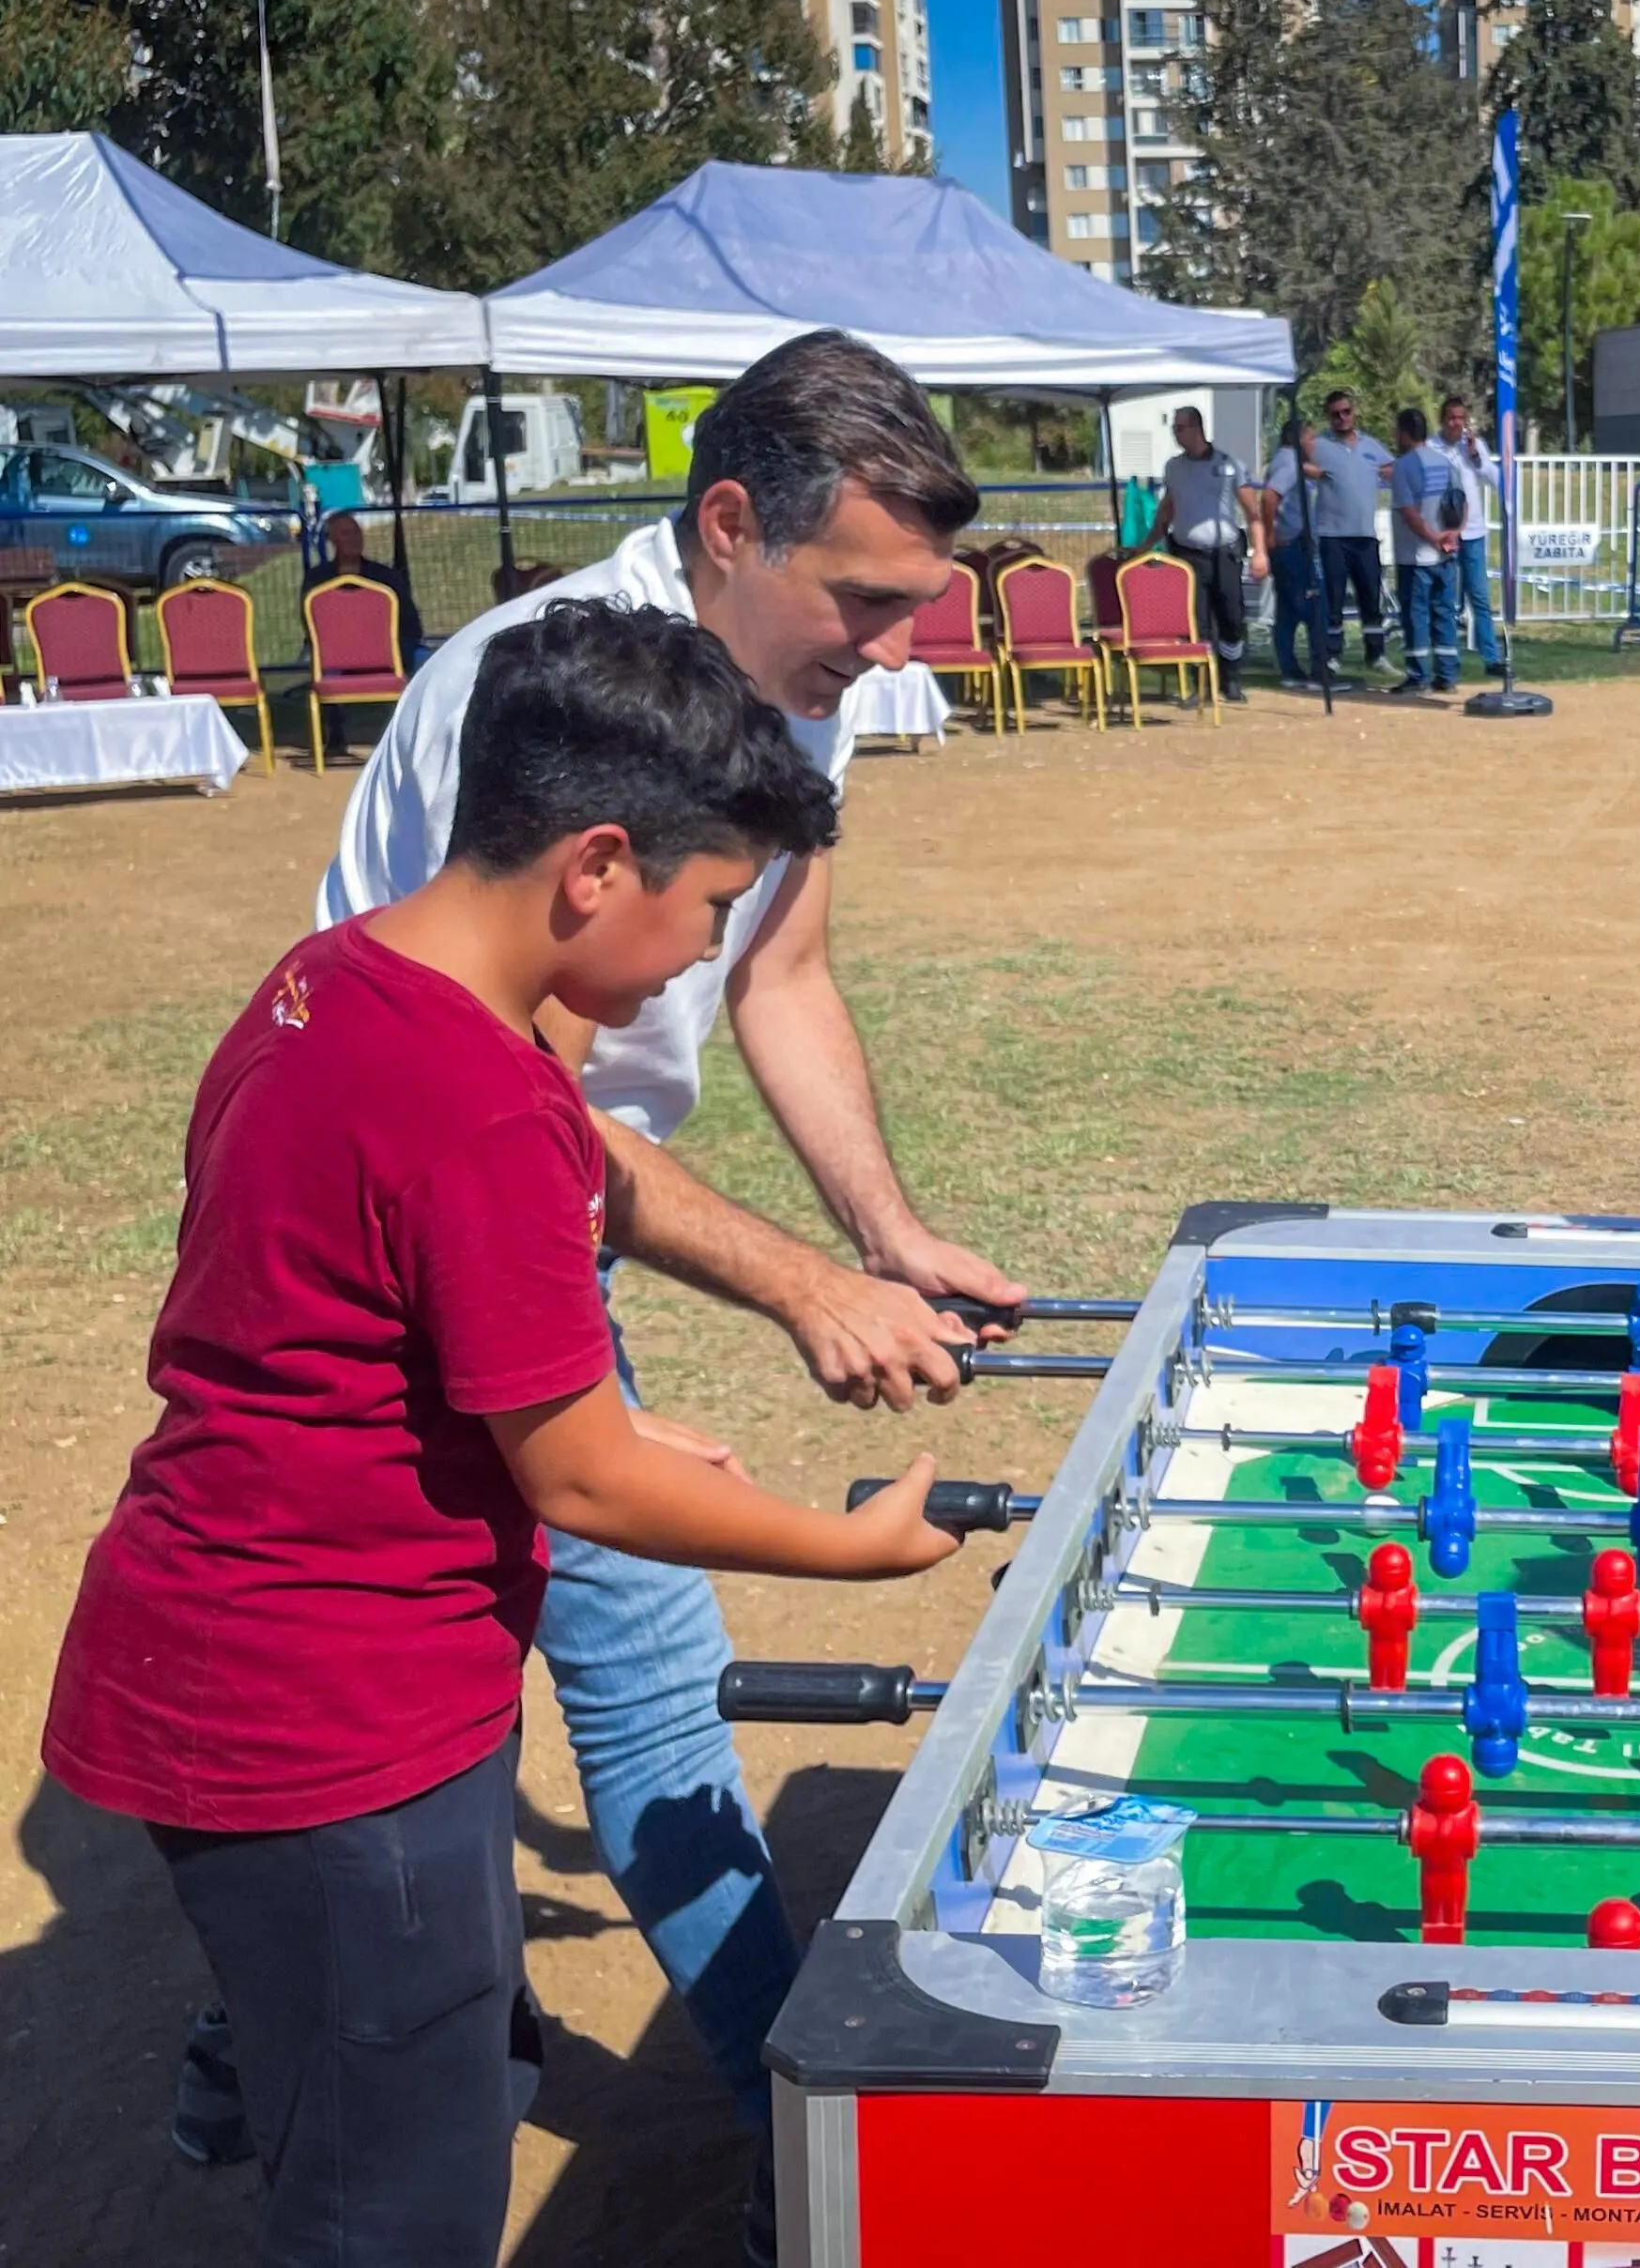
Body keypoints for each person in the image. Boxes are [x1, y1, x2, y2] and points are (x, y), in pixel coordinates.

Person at [43, 599, 966, 2267]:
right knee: (394, 2203)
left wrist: (614, 1420)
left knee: (418, 2070)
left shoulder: (344, 982)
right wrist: (852, 1545)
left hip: (323, 1667)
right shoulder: (477, 1104)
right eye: (705, 910)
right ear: (595, 866)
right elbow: (577, 1474)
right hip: (320, 1723)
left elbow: (370, 1337)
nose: (702, 953)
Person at [301, 330, 1023, 2240]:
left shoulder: (809, 680)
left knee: (514, 1676)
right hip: (462, 1221)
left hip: (548, 1205)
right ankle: (816, 2131)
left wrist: (881, 1232)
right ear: (726, 528)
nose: (889, 648)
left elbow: (778, 972)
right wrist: (795, 1287)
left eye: (912, 609)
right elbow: (497, 1094)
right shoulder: (525, 691)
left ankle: (303, 2014)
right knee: (636, 1683)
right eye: (864, 600)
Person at [1150, 404, 1262, 705]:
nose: (1176, 434)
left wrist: (1260, 551)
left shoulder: (1229, 464)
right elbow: (1168, 509)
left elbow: (1253, 511)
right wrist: (1147, 544)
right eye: (1174, 428)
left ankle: (1231, 678)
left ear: (1197, 429)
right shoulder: (1174, 467)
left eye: (1180, 428)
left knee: (1232, 619)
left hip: (1223, 553)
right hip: (1188, 555)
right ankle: (1201, 684)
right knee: (1195, 621)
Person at [1296, 388, 1392, 680]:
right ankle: (1333, 655)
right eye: (1335, 414)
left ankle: (1375, 654)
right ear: (1329, 417)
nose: (1341, 418)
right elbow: (1294, 455)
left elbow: (1392, 467)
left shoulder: (1370, 445)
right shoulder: (1320, 445)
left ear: (1354, 412)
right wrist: (1310, 470)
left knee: (1370, 598)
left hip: (1364, 535)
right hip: (1332, 536)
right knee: (1334, 600)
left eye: (1346, 412)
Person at [1258, 417, 1344, 693]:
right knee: (1312, 604)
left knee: (1287, 610)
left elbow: (1297, 473)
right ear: (1297, 440)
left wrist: (1318, 473)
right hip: (1293, 544)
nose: (1313, 443)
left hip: (1291, 544)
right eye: (1310, 438)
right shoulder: (1288, 463)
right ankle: (1319, 666)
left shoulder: (1287, 461)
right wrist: (1270, 534)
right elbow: (1270, 497)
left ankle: (1290, 668)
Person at [1387, 406, 1462, 697]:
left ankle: (1418, 676)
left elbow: (1409, 513)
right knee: (1444, 613)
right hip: (1445, 555)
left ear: (1404, 433)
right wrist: (1452, 535)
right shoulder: (1445, 463)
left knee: (1416, 616)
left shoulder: (1404, 467)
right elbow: (1461, 502)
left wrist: (1433, 538)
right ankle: (1447, 675)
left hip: (1416, 556)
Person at [1434, 394, 1509, 682]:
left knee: (1479, 596)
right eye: (1451, 418)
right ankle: (1448, 659)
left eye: (1461, 418)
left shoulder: (1475, 446)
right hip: (1446, 532)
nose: (1456, 423)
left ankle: (1491, 657)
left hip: (1474, 532)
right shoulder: (1433, 447)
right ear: (1443, 420)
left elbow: (1497, 480)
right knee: (1448, 598)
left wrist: (1477, 458)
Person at [303, 507, 425, 668]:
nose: (353, 539)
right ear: (332, 540)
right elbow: (314, 626)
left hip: (390, 652)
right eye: (346, 534)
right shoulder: (317, 580)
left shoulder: (386, 577)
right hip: (337, 655)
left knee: (432, 661)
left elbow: (411, 624)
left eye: (357, 533)